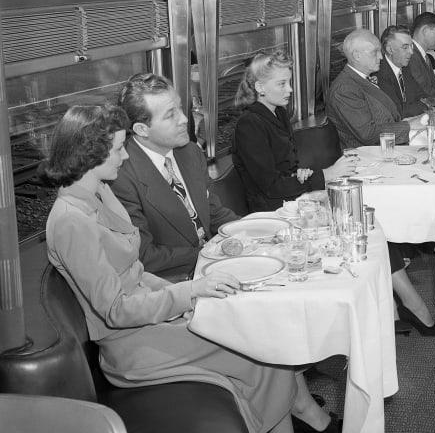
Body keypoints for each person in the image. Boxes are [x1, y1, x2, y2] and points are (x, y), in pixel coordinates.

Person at [43, 105, 297, 433]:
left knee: (258, 337)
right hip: (132, 345)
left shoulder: (100, 192)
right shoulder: (70, 222)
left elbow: (133, 270)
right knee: (259, 349)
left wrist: (187, 295)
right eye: (119, 149)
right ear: (91, 155)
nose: (124, 157)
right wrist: (189, 293)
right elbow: (117, 310)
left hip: (152, 320)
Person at [111, 73, 238, 282]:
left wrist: (252, 233)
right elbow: (144, 255)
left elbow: (212, 212)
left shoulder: (190, 152)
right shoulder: (121, 177)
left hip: (212, 265)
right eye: (171, 115)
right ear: (142, 130)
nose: (184, 119)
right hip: (172, 281)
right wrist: (210, 254)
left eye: (180, 107)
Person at [231, 51, 326, 211]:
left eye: (289, 82)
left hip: (288, 199)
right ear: (260, 87)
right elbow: (271, 187)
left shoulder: (279, 112)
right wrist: (324, 176)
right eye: (282, 84)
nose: (290, 89)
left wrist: (298, 174)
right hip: (270, 209)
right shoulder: (249, 125)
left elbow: (285, 165)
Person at [326, 29, 410, 150]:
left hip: (386, 147)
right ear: (357, 56)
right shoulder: (344, 89)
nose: (381, 57)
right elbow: (368, 134)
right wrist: (409, 127)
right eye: (375, 52)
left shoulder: (362, 79)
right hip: (367, 157)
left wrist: (411, 122)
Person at [376, 25, 428, 117]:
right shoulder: (380, 74)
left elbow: (423, 96)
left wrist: (424, 103)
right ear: (390, 49)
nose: (411, 52)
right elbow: (397, 111)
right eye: (405, 47)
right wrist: (425, 105)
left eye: (411, 46)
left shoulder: (404, 67)